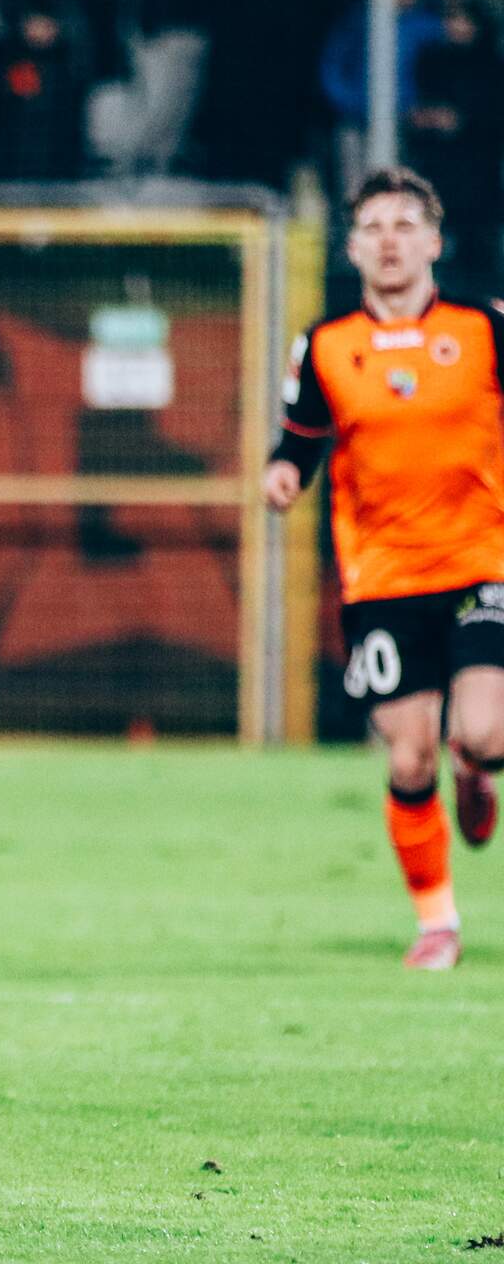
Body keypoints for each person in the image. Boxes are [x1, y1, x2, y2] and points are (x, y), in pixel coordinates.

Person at [264, 167, 504, 971]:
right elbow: (300, 438)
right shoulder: (326, 346)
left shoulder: (484, 328)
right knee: (407, 757)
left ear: (435, 242)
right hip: (382, 579)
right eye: (373, 227)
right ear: (353, 249)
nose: (389, 241)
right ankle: (437, 923)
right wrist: (284, 474)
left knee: (487, 732)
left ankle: (475, 766)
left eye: (405, 225)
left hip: (482, 562)